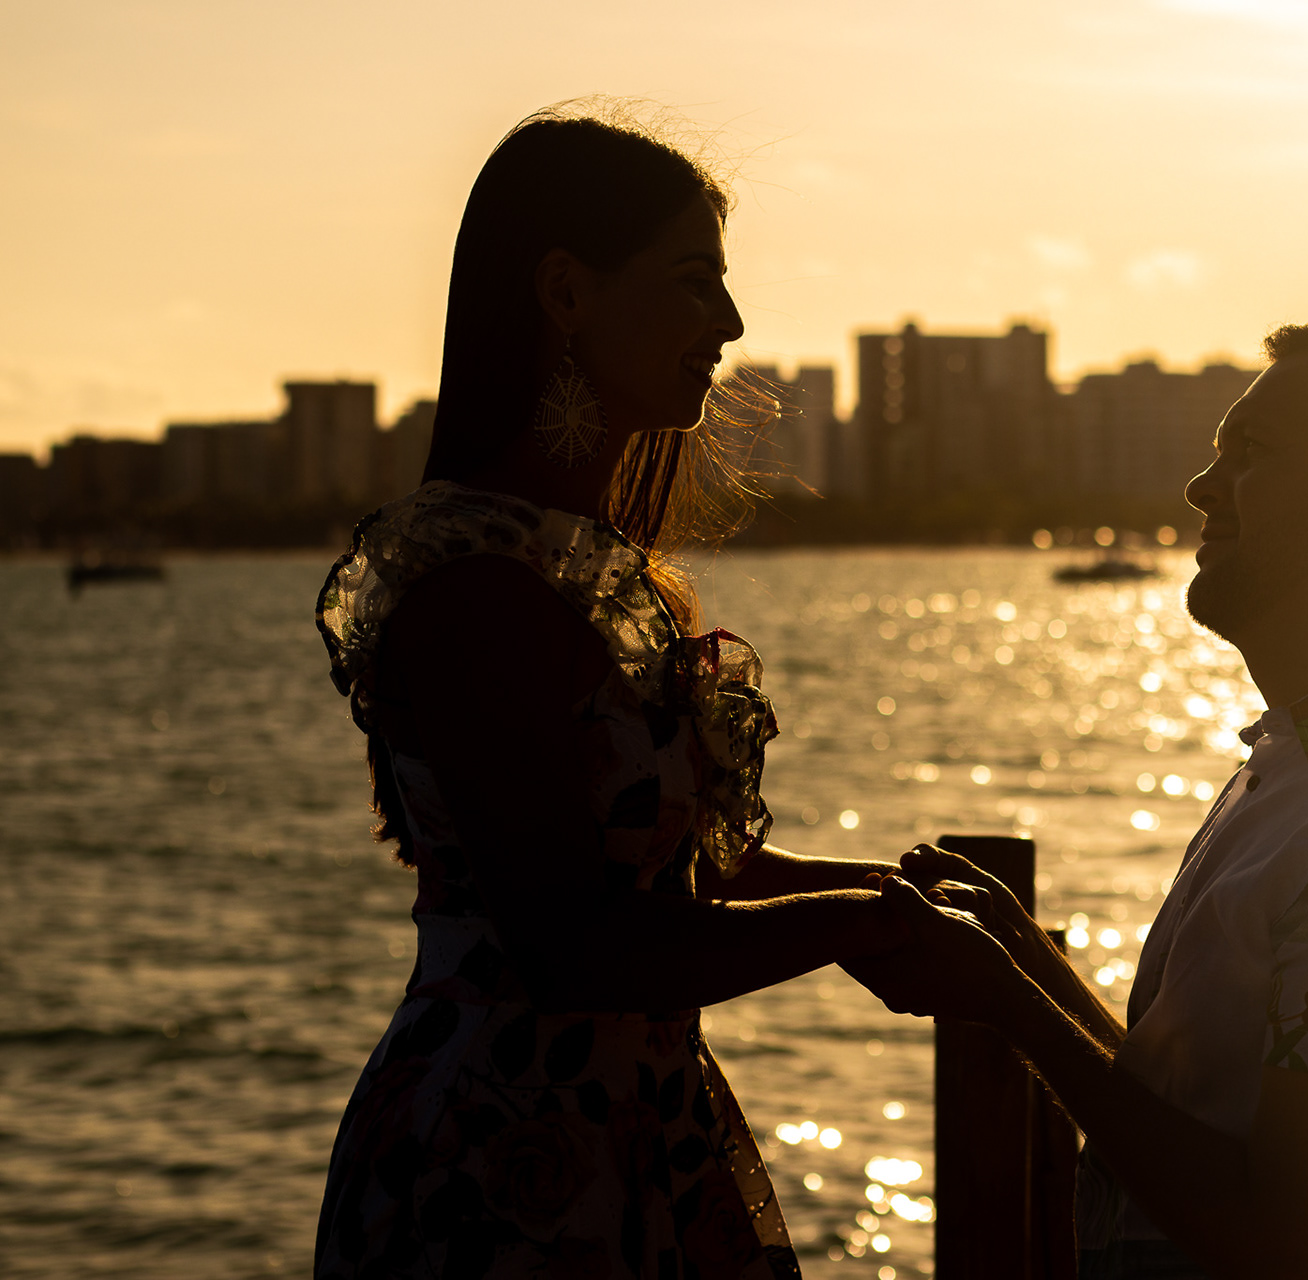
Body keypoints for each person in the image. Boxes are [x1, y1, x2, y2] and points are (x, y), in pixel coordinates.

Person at [311, 101, 964, 1280]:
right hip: (501, 1163)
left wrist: (891, 889)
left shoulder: (590, 572)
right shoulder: (479, 587)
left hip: (634, 1121)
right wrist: (858, 925)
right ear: (566, 291)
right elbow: (574, 944)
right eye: (693, 280)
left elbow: (678, 876)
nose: (730, 321)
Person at [849, 326, 1308, 1280]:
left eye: (1251, 453)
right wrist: (1030, 969)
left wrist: (1017, 1008)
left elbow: (1282, 1245)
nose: (1201, 487)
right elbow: (1210, 1117)